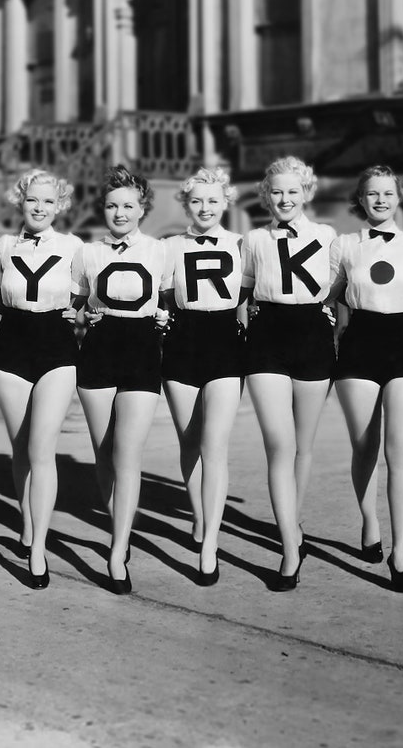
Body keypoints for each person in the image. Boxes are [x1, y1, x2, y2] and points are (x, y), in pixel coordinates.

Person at [328, 165, 403, 593]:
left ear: (398, 197)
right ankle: (369, 521)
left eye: (387, 193)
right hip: (358, 346)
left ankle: (401, 554)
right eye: (372, 193)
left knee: (401, 455)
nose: (380, 200)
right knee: (365, 448)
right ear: (361, 199)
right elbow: (327, 294)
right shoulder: (345, 245)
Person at [72, 165, 172, 595]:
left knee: (128, 454)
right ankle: (120, 528)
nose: (120, 213)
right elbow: (73, 307)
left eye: (129, 205)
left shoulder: (160, 250)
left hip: (142, 350)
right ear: (103, 208)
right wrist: (82, 316)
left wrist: (166, 319)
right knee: (104, 453)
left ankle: (117, 550)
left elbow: (171, 301)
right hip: (98, 349)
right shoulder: (87, 253)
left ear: (142, 208)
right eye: (113, 205)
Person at [241, 156, 336, 591]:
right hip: (267, 339)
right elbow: (241, 294)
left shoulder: (327, 236)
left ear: (307, 193)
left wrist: (333, 314)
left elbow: (342, 285)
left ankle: (293, 523)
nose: (284, 199)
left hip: (312, 336)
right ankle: (289, 550)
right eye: (276, 191)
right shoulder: (254, 239)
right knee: (280, 445)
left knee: (303, 446)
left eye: (292, 191)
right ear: (266, 195)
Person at [0, 169, 83, 589]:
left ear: (59, 205)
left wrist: (78, 311)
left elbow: (85, 292)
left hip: (56, 347)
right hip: (11, 345)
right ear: (20, 202)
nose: (39, 208)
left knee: (42, 448)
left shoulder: (73, 247)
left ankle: (39, 549)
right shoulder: (3, 245)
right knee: (21, 447)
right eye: (32, 200)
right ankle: (27, 522)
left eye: (48, 201)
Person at [160, 167, 245, 587]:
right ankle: (199, 515)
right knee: (190, 441)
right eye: (197, 200)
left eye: (213, 200)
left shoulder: (242, 244)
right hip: (182, 341)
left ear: (226, 202)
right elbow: (159, 295)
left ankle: (210, 544)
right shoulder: (169, 247)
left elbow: (256, 292)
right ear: (186, 204)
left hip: (226, 341)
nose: (205, 207)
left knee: (215, 446)